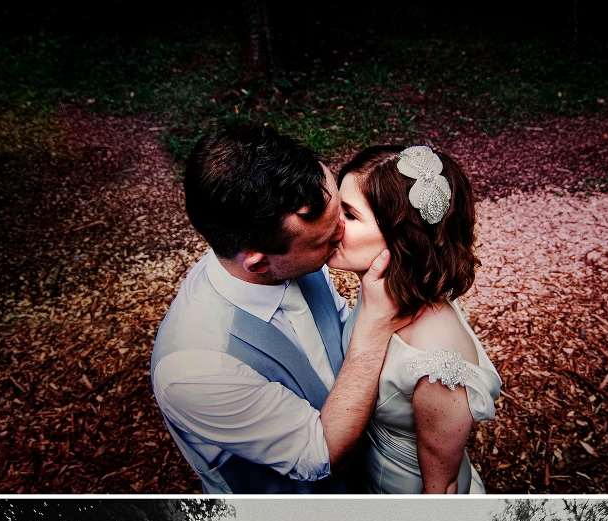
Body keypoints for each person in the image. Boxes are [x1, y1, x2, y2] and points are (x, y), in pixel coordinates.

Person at [151, 124, 410, 494]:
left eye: (342, 214)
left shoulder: (290, 254)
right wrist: (374, 324)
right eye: (326, 239)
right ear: (257, 263)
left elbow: (335, 335)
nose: (343, 232)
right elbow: (321, 453)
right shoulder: (193, 368)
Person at [328, 145, 501, 494]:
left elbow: (442, 488)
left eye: (349, 214)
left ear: (401, 236)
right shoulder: (380, 289)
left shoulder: (437, 361)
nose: (332, 223)